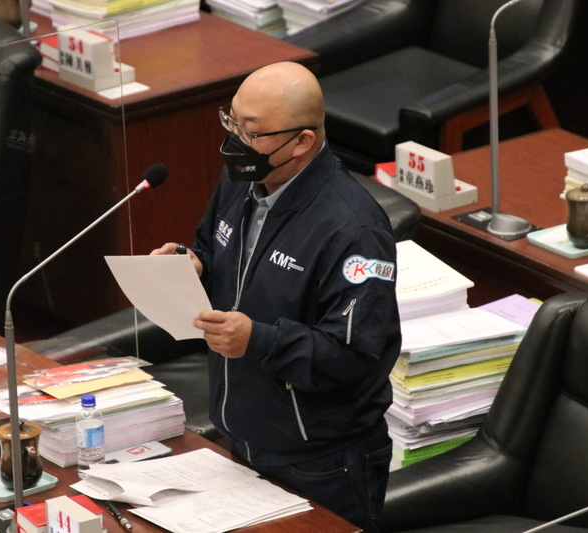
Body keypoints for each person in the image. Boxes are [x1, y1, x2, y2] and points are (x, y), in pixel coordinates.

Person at [152, 61, 401, 533]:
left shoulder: (354, 230)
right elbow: (213, 246)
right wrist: (193, 263)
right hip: (242, 435)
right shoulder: (240, 178)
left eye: (252, 132)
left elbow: (355, 357)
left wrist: (259, 340)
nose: (234, 143)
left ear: (303, 141)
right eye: (231, 122)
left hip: (321, 460)